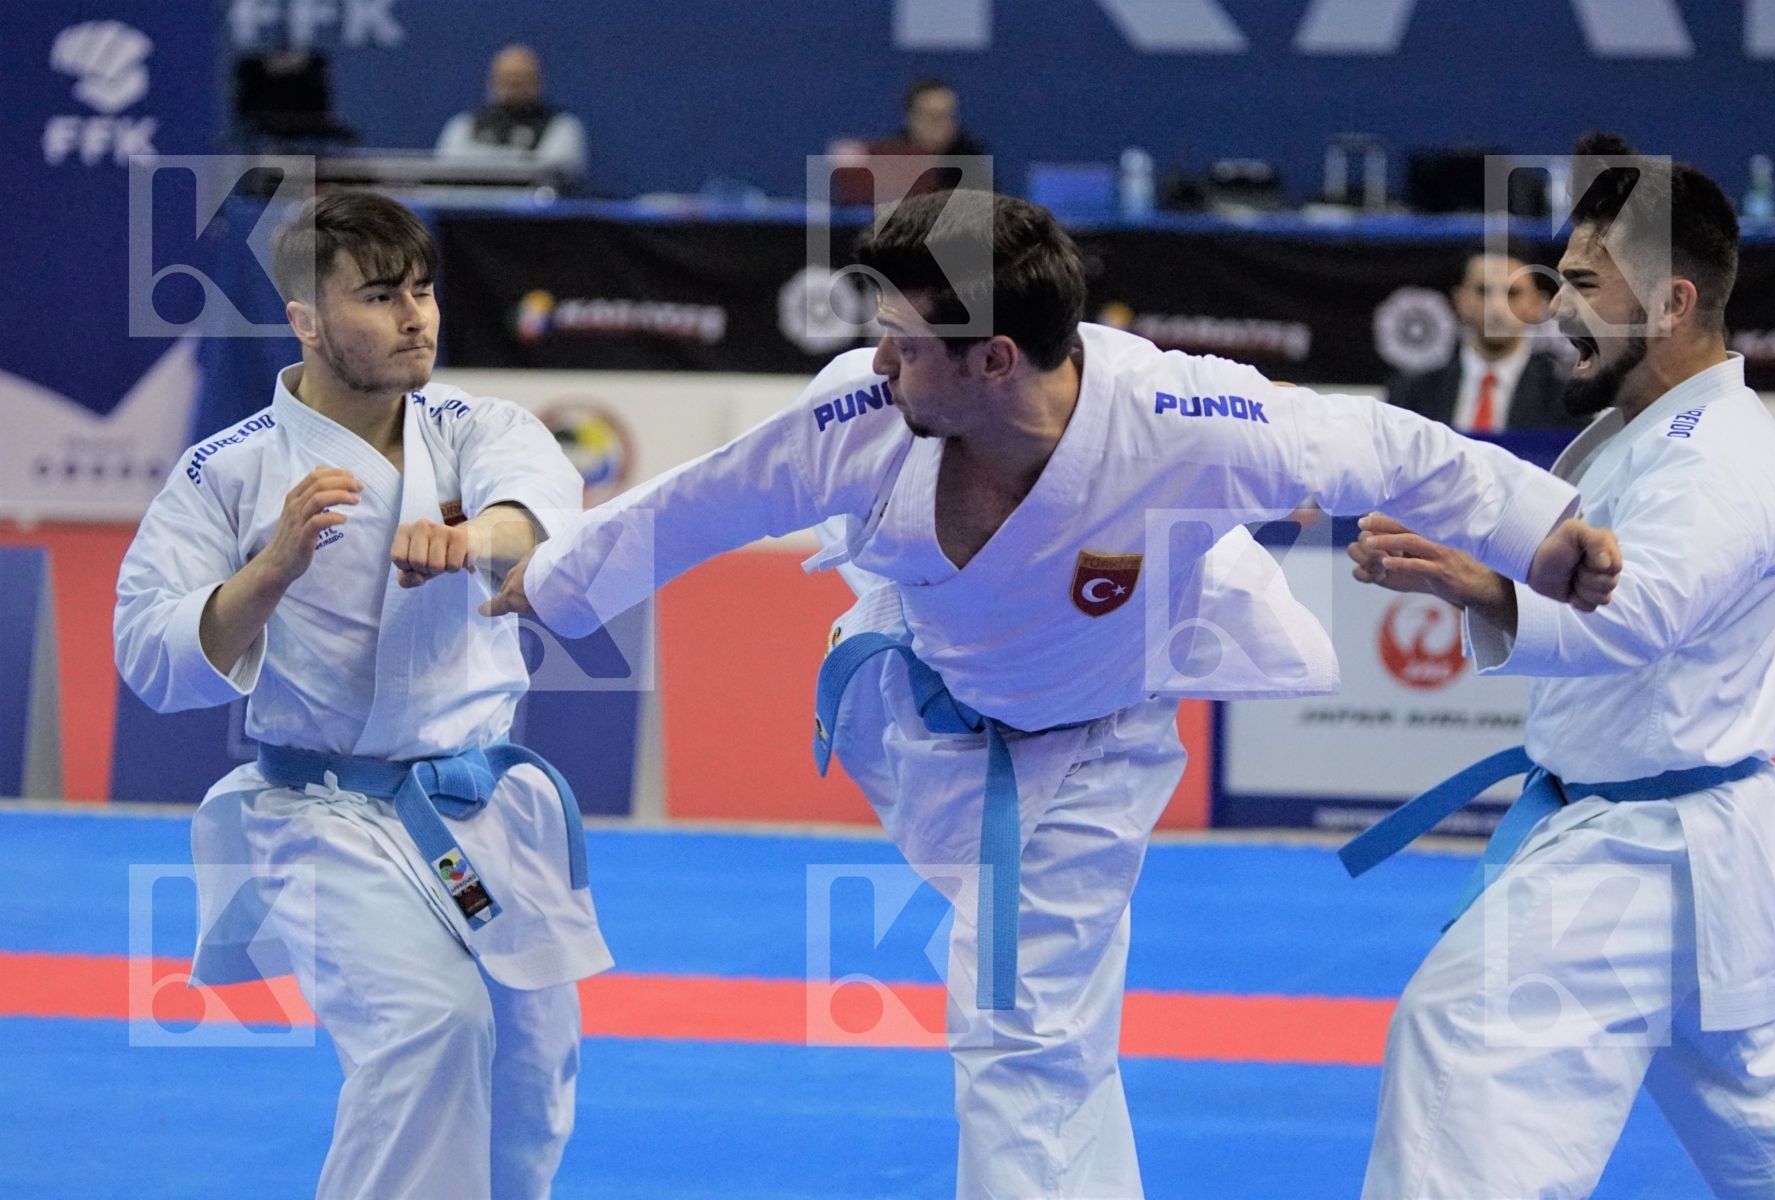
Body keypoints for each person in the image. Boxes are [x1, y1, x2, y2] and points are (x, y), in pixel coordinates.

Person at [482, 188, 1618, 1197]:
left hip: (1094, 745)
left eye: (904, 341)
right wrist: (550, 581)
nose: (881, 363)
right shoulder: (863, 416)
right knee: (1045, 1044)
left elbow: (1401, 450)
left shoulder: (1189, 421)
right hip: (917, 698)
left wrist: (1542, 535)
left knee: (1020, 1034)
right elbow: (701, 502)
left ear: (995, 360)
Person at [114, 191, 612, 1200]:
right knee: (429, 1029)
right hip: (325, 814)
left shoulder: (475, 425)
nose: (417, 316)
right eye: (381, 296)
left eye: (422, 290)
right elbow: (147, 651)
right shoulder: (231, 472)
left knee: (533, 1072)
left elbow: (543, 509)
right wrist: (272, 570)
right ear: (304, 319)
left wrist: (474, 539)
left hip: (482, 806)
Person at [1342, 134, 1775, 1198]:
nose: (1556, 308)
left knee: (1465, 1039)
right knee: (1753, 1115)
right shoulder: (1637, 430)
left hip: (1655, 845)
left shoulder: (1718, 458)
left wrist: (1478, 586)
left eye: (1585, 284)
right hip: (1670, 839)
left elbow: (1634, 618)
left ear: (1674, 302)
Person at [1386, 244, 1587, 432]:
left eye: (1512, 293)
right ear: (1461, 300)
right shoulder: (1411, 394)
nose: (1497, 308)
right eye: (1483, 291)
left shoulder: (1567, 401)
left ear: (1537, 305)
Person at [436, 45, 589, 188]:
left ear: (537, 81)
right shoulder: (464, 124)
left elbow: (551, 171)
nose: (514, 84)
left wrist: (481, 159)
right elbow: (448, 168)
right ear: (493, 80)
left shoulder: (563, 126)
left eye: (522, 77)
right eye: (507, 77)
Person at [829, 77, 989, 205]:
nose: (941, 125)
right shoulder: (892, 156)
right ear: (910, 118)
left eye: (947, 116)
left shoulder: (971, 157)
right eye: (931, 117)